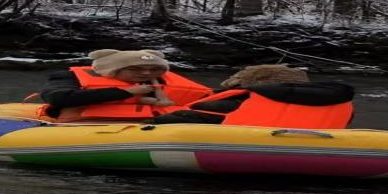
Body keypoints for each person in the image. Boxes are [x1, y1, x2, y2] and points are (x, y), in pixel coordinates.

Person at [150, 64, 355, 128]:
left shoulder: (239, 100)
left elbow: (190, 115)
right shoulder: (336, 99)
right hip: (313, 148)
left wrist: (150, 123)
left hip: (247, 144)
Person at [34, 49, 213, 122]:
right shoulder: (70, 77)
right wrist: (125, 92)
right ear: (112, 70)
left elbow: (208, 100)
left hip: (148, 128)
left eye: (154, 69)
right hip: (85, 126)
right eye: (135, 69)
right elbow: (58, 98)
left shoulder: (163, 82)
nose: (147, 74)